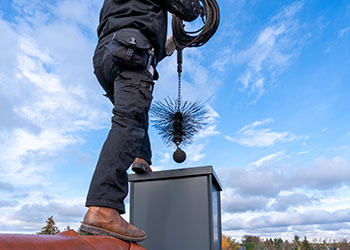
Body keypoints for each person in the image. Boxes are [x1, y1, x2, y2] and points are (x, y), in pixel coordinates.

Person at [80, 0, 200, 242]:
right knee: (130, 120)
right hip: (129, 49)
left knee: (134, 110)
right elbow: (188, 9)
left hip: (108, 54)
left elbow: (134, 24)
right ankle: (103, 208)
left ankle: (141, 157)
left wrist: (166, 46)